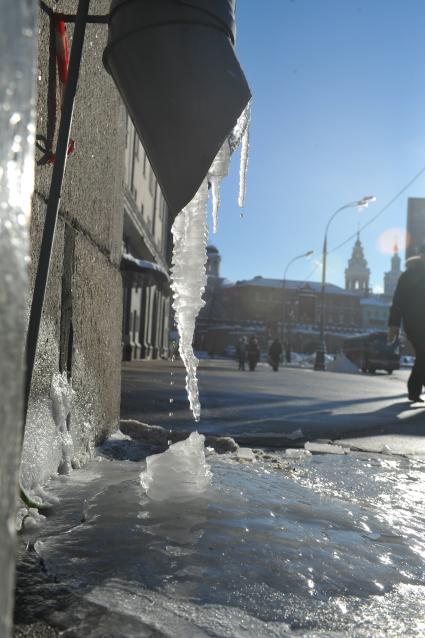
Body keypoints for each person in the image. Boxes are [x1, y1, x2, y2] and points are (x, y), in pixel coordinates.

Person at [388, 245, 425, 402]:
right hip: (414, 322)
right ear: (421, 255)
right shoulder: (409, 274)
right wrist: (394, 325)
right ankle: (414, 389)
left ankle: (415, 389)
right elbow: (398, 302)